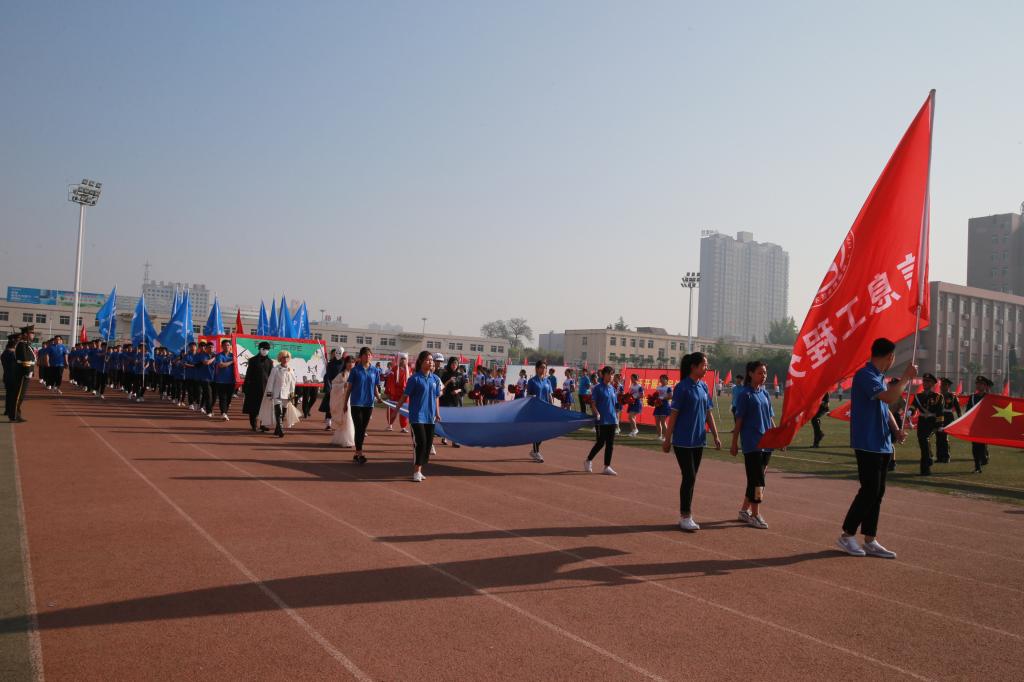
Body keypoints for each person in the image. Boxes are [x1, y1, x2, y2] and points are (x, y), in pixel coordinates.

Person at [837, 337, 915, 559]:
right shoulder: (865, 375)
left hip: (882, 443)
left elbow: (884, 407)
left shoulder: (880, 377)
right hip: (867, 442)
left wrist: (896, 430)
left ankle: (870, 539)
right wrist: (906, 378)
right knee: (869, 490)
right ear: (890, 357)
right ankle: (847, 535)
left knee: (877, 493)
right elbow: (889, 397)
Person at [661, 352, 720, 531]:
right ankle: (685, 516)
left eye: (707, 365)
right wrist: (667, 439)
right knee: (689, 476)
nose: (706, 368)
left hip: (698, 440)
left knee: (692, 478)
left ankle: (686, 515)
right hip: (683, 440)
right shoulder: (682, 387)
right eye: (704, 365)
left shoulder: (703, 386)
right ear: (693, 367)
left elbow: (708, 412)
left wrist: (715, 435)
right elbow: (674, 415)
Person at [730, 360, 776, 529]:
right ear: (750, 374)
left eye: (765, 373)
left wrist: (777, 437)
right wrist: (734, 443)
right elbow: (739, 420)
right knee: (758, 481)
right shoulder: (745, 395)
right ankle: (755, 514)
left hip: (767, 443)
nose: (763, 376)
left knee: (756, 479)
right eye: (760, 373)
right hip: (752, 443)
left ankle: (744, 511)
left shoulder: (764, 393)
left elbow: (770, 417)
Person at [394, 350, 443, 482]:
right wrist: (396, 409)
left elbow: (436, 397)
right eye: (428, 360)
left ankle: (420, 469)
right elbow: (405, 395)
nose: (430, 362)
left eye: (431, 360)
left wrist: (437, 413)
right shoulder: (414, 379)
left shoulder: (435, 379)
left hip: (430, 417)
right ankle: (416, 471)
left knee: (428, 445)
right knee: (420, 443)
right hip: (417, 417)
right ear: (421, 362)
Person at [342, 346, 382, 464]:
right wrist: (345, 403)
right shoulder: (355, 370)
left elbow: (375, 387)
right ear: (361, 357)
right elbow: (349, 388)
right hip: (356, 403)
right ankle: (359, 453)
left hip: (369, 404)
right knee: (359, 428)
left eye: (369, 355)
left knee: (363, 429)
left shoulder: (375, 370)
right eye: (365, 355)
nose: (368, 357)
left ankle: (356, 453)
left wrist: (378, 397)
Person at [586, 366, 619, 475]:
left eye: (612, 374)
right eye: (609, 374)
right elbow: (593, 403)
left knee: (610, 444)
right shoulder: (597, 388)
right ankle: (588, 460)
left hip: (612, 420)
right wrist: (597, 413)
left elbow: (614, 404)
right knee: (600, 443)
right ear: (603, 375)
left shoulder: (612, 388)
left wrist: (617, 416)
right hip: (602, 420)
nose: (611, 376)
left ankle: (606, 467)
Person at [909, 372, 942, 476]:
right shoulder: (918, 396)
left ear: (933, 384)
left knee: (924, 441)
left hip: (932, 422)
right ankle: (929, 459)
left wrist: (939, 425)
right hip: (922, 422)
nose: (925, 383)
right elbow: (913, 406)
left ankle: (925, 469)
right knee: (923, 443)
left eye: (928, 381)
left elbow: (940, 412)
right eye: (924, 381)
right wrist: (910, 411)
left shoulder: (938, 397)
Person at [261, 350, 297, 437]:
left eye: (287, 357)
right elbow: (271, 381)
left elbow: (292, 383)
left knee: (283, 413)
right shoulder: (275, 369)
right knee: (279, 412)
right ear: (280, 358)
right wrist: (269, 392)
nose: (286, 359)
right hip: (277, 393)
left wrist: (292, 393)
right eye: (284, 357)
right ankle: (281, 429)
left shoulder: (290, 370)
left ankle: (277, 429)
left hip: (287, 394)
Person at [242, 342, 274, 431]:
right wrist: (245, 387)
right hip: (253, 387)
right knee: (253, 407)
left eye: (267, 349)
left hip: (265, 388)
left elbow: (271, 375)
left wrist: (271, 388)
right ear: (259, 349)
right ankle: (254, 425)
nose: (265, 351)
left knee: (265, 407)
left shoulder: (270, 362)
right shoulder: (253, 360)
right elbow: (248, 374)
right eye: (263, 349)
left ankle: (263, 425)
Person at [7, 326, 37, 422]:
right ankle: (14, 415)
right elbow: (24, 360)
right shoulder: (22, 345)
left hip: (24, 372)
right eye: (31, 333)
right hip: (22, 373)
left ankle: (15, 414)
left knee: (20, 395)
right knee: (18, 395)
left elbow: (30, 359)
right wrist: (28, 372)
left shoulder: (26, 345)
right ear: (25, 334)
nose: (33, 335)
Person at [526, 360, 553, 462]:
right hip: (536, 409)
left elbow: (550, 395)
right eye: (541, 367)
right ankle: (536, 452)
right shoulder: (532, 381)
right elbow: (528, 396)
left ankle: (534, 450)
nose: (543, 369)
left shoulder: (548, 381)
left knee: (544, 432)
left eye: (545, 368)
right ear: (537, 369)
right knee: (537, 431)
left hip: (545, 409)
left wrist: (552, 406)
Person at [966, 375, 993, 473]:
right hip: (974, 425)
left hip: (984, 425)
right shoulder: (972, 397)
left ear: (985, 386)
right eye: (977, 383)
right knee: (975, 446)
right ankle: (977, 466)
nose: (979, 385)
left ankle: (984, 458)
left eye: (981, 384)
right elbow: (968, 411)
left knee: (982, 445)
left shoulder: (988, 397)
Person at [439, 357, 466, 448]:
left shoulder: (460, 375)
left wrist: (458, 390)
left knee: (455, 421)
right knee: (446, 420)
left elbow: (464, 389)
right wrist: (449, 381)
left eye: (456, 364)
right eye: (453, 363)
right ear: (449, 364)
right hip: (446, 400)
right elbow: (441, 387)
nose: (454, 365)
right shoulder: (445, 374)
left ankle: (455, 441)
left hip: (456, 400)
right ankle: (444, 436)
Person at [935, 377, 961, 463]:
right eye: (942, 385)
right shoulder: (937, 396)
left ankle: (946, 456)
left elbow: (958, 408)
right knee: (938, 437)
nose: (942, 386)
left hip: (948, 417)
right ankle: (939, 457)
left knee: (944, 437)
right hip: (938, 417)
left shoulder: (952, 396)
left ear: (948, 386)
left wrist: (960, 418)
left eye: (945, 385)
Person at [319, 348, 345, 430]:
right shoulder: (330, 364)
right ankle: (328, 423)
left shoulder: (345, 363)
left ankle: (340, 423)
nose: (337, 354)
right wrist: (328, 386)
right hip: (332, 387)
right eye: (336, 352)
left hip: (342, 387)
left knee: (341, 406)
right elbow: (327, 376)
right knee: (329, 405)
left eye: (340, 352)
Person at [385, 353, 411, 432]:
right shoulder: (394, 369)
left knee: (404, 410)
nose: (403, 361)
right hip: (395, 393)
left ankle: (403, 427)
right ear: (399, 360)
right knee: (392, 409)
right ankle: (390, 425)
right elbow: (390, 381)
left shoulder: (409, 370)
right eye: (402, 359)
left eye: (405, 359)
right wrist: (389, 392)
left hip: (405, 393)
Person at [213, 339, 236, 420]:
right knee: (223, 398)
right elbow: (221, 365)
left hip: (231, 381)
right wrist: (232, 362)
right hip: (221, 381)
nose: (227, 347)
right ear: (222, 346)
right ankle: (223, 413)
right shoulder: (219, 355)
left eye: (228, 345)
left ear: (230, 347)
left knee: (229, 399)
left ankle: (225, 412)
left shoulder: (233, 355)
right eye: (225, 345)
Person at [2, 334, 18, 419]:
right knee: (13, 395)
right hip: (13, 377)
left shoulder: (4, 353)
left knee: (8, 394)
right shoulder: (12, 354)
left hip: (7, 376)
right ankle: (11, 412)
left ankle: (7, 410)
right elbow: (14, 366)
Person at [652, 375, 673, 441]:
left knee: (663, 422)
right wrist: (654, 400)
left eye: (663, 379)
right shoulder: (658, 387)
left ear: (666, 380)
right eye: (660, 379)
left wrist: (662, 398)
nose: (661, 380)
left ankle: (665, 437)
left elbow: (671, 396)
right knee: (657, 421)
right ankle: (659, 436)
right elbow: (656, 395)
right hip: (658, 405)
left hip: (665, 404)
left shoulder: (669, 387)